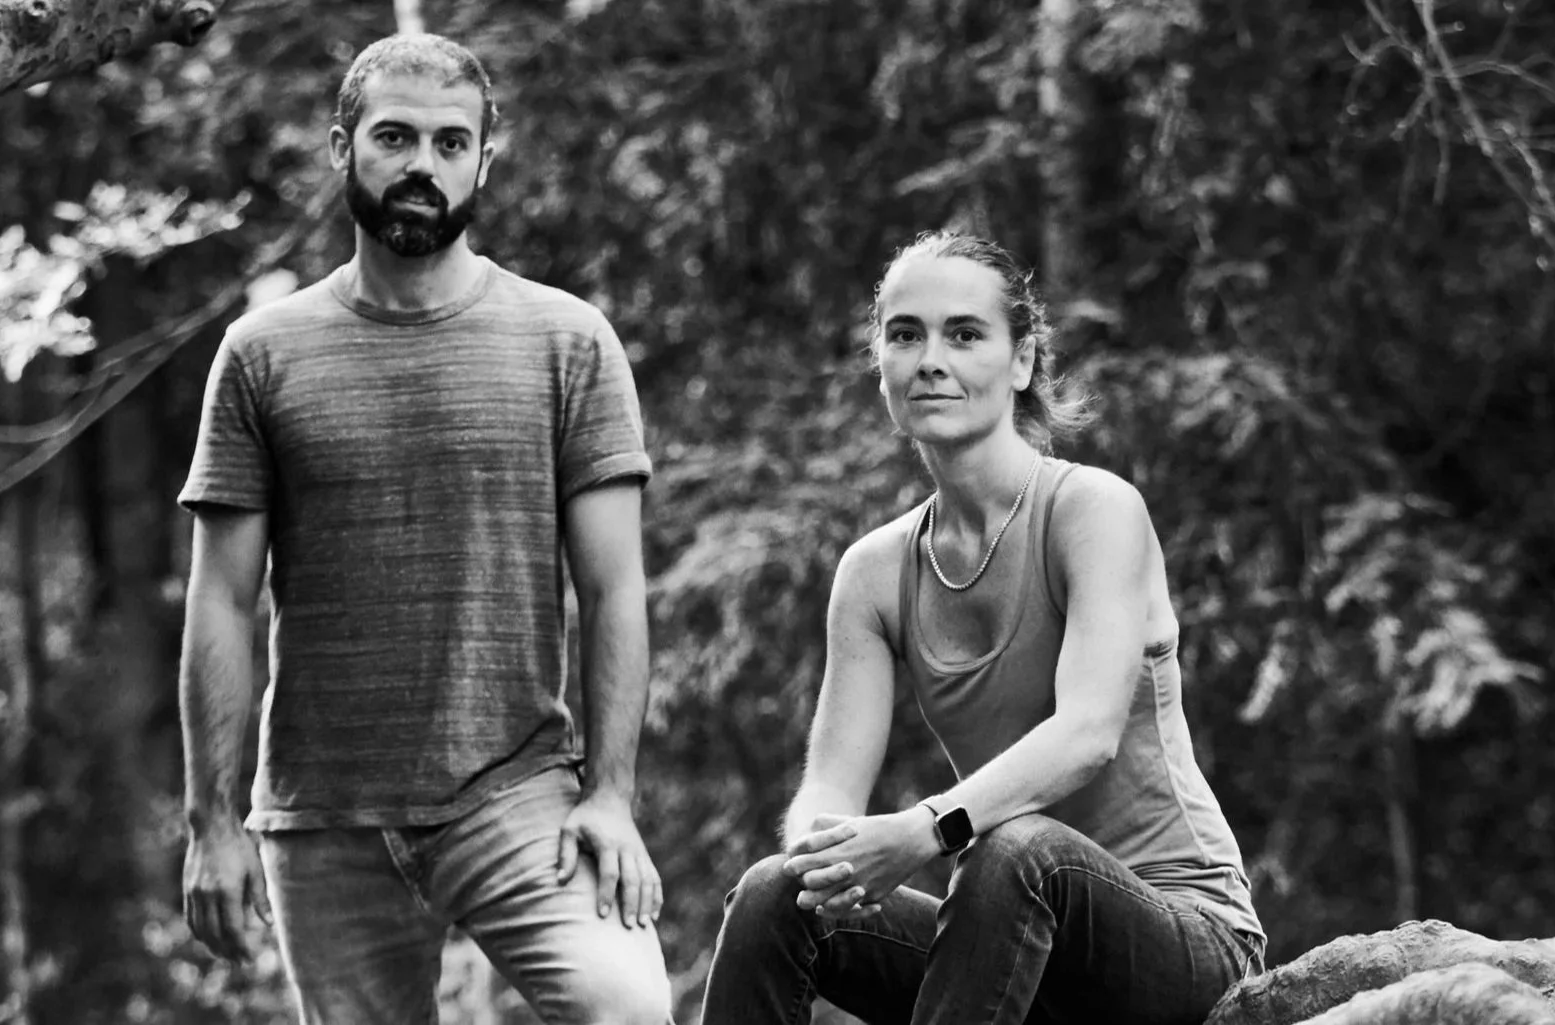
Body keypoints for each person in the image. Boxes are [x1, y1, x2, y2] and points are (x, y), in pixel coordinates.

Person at [173, 32, 672, 1025]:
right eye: (394, 137)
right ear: (339, 147)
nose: (421, 166)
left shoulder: (566, 341)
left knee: (626, 1007)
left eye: (451, 144)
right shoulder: (260, 354)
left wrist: (610, 794)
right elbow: (222, 599)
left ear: (484, 160)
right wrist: (209, 823)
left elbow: (615, 588)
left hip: (516, 789)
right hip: (323, 816)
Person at [697, 232, 1264, 1025]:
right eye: (905, 334)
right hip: (1009, 946)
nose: (931, 358)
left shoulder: (1093, 512)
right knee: (774, 892)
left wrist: (923, 829)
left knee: (1015, 847)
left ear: (1023, 360)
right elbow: (828, 784)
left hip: (1185, 939)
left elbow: (1089, 732)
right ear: (882, 364)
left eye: (964, 334)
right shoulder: (874, 571)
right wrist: (824, 857)